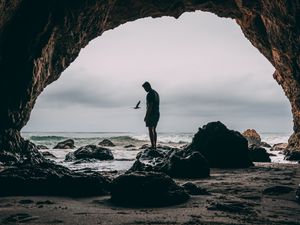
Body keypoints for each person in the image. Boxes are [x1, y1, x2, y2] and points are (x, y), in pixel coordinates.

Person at [142, 81, 160, 149]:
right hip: (157, 113)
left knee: (150, 129)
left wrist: (146, 116)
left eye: (145, 88)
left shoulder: (150, 94)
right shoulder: (156, 93)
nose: (145, 90)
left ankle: (153, 146)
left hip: (152, 114)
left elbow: (150, 106)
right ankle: (154, 145)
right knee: (154, 129)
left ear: (148, 86)